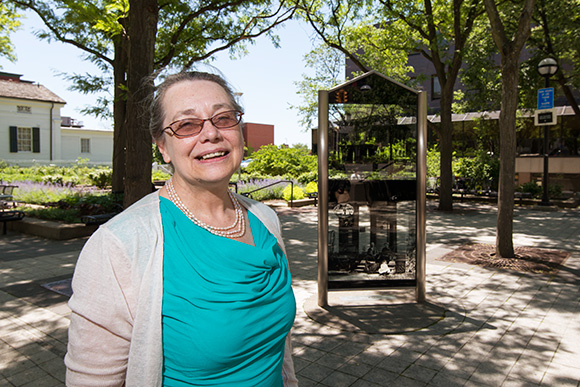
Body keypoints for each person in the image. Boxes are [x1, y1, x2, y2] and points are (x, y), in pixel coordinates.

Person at [65, 71, 298, 386]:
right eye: (187, 125)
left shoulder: (265, 219)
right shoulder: (119, 245)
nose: (211, 134)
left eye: (224, 118)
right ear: (162, 145)